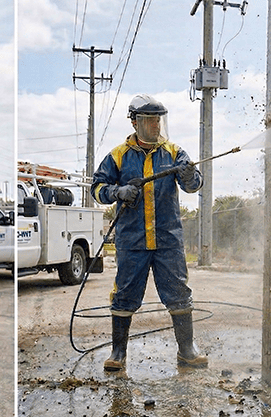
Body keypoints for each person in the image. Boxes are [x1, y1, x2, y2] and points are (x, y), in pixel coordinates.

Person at [91, 94, 207, 371]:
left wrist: (189, 174)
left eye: (158, 120)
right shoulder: (118, 156)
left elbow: (194, 186)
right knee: (125, 295)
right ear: (135, 122)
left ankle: (187, 351)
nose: (156, 126)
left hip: (168, 241)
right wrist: (117, 191)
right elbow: (96, 188)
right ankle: (118, 353)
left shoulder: (175, 152)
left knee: (178, 292)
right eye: (150, 121)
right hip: (133, 242)